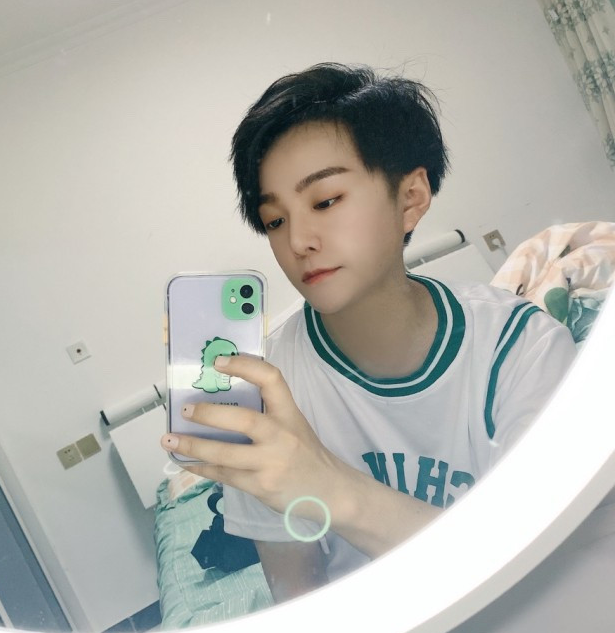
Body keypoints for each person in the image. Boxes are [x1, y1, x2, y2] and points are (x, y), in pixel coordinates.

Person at [161, 63, 577, 603]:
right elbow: (298, 594)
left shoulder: (520, 348)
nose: (298, 241)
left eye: (325, 201)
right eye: (275, 221)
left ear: (410, 198)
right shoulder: (266, 385)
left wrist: (325, 484)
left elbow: (542, 573)